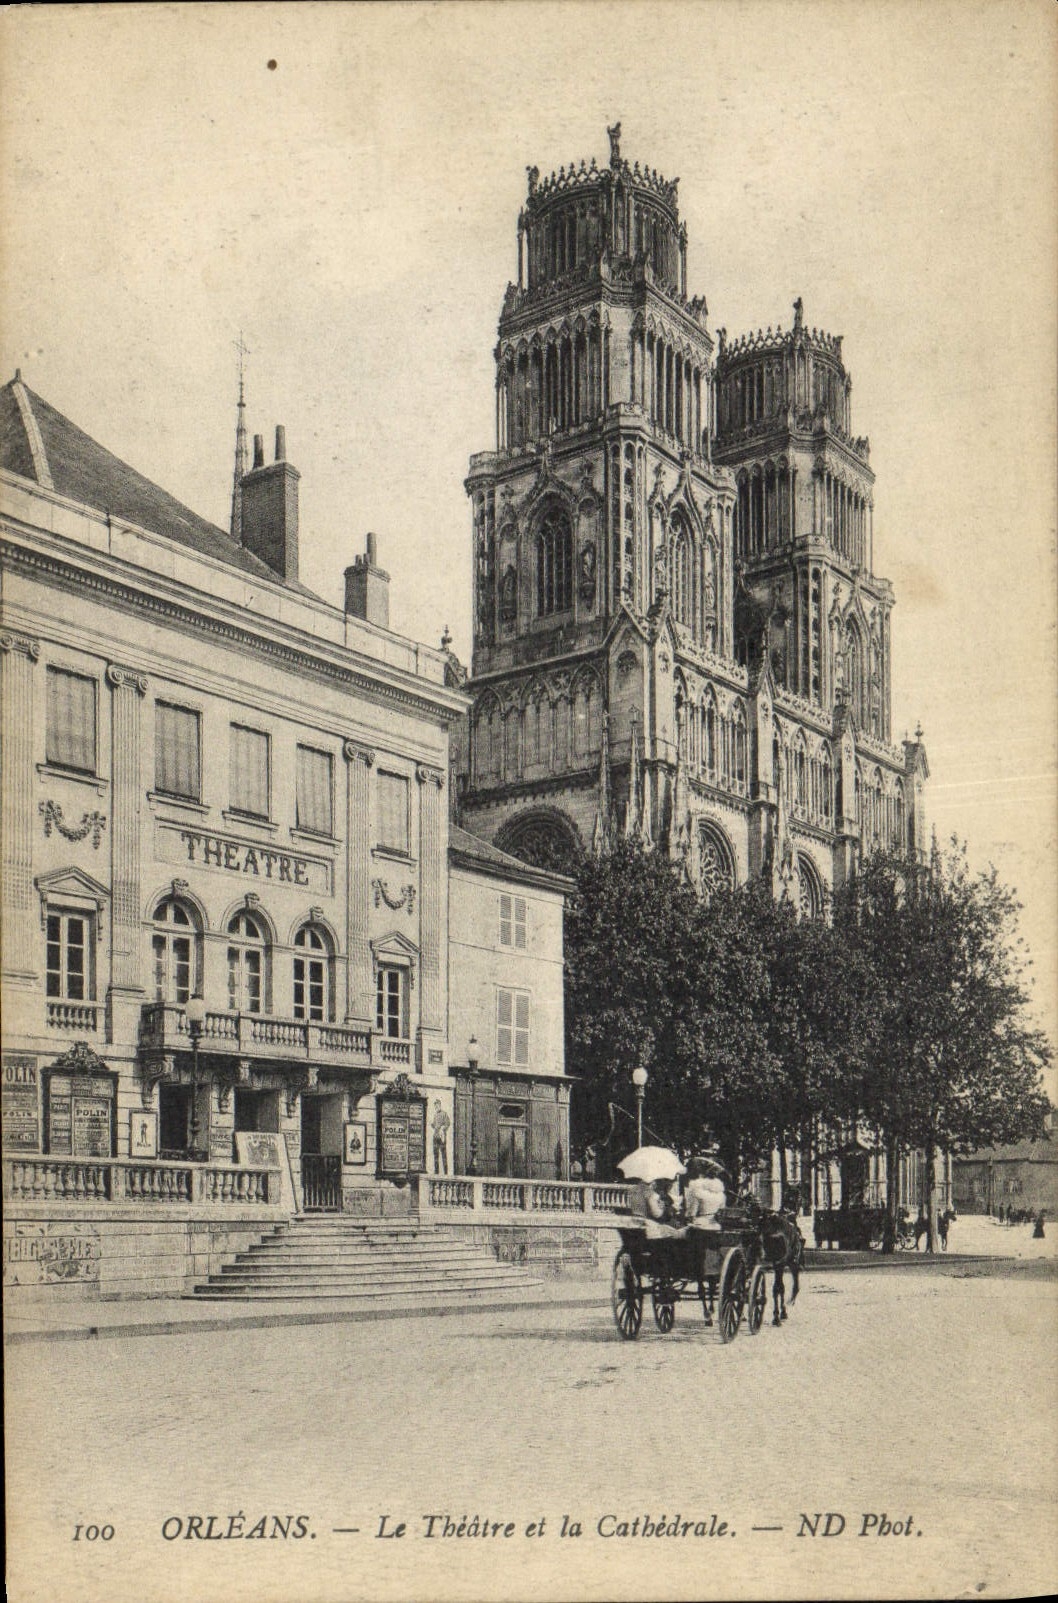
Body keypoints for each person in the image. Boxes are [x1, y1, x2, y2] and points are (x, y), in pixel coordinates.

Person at [431, 1100, 450, 1176]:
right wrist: (433, 1125)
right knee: (436, 1155)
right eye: (435, 1106)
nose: (436, 1107)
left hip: (441, 1137)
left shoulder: (444, 1114)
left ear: (440, 1105)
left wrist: (442, 1128)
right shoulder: (435, 1115)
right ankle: (436, 1172)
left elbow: (447, 1123)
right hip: (435, 1136)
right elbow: (434, 1125)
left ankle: (446, 1172)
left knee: (443, 1155)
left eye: (437, 1106)